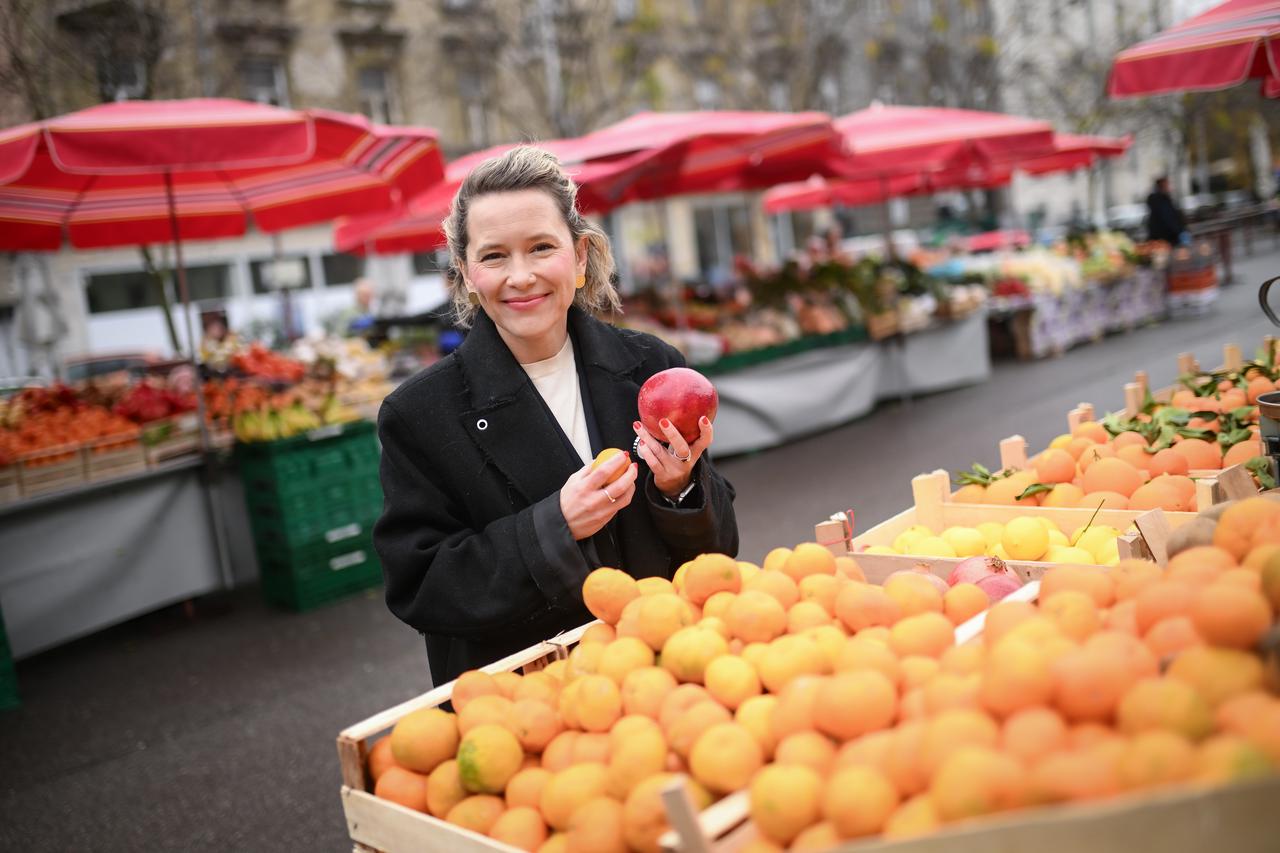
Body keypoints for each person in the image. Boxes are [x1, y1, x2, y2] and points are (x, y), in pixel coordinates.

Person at [373, 147, 739, 685]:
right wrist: (554, 526)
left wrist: (680, 490)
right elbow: (423, 585)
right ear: (466, 274)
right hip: (532, 707)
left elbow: (719, 552)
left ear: (581, 256)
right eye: (494, 256)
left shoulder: (652, 369)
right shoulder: (420, 414)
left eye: (541, 247)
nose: (521, 276)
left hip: (667, 677)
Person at [1146, 176, 1187, 245]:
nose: (1169, 187)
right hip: (1167, 239)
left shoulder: (1161, 200)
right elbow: (1168, 219)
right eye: (1167, 184)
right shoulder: (1161, 201)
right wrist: (1179, 231)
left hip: (1165, 238)